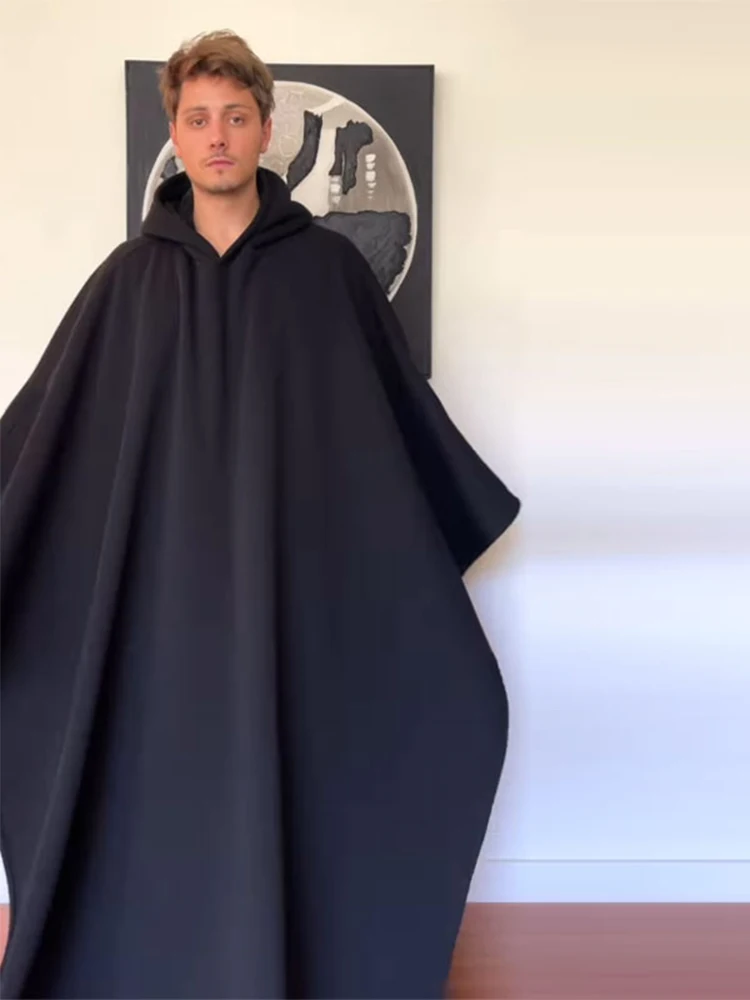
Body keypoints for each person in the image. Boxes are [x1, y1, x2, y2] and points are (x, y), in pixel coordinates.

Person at [0, 29, 521, 1000]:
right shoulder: (126, 285)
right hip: (160, 618)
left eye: (235, 117)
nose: (217, 136)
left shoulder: (327, 275)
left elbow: (391, 423)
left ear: (266, 128)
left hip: (294, 601)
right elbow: (48, 434)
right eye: (198, 118)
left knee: (337, 762)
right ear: (175, 134)